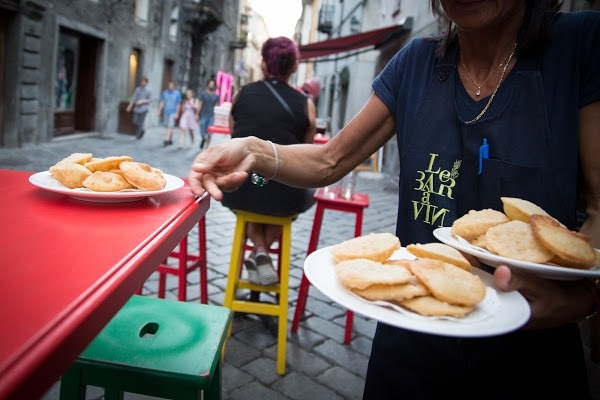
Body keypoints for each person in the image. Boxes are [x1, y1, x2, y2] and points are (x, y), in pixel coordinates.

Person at [189, 2, 600, 398]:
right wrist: (256, 151)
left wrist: (587, 295)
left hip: (531, 360)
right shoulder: (415, 64)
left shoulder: (579, 46)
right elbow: (330, 159)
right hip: (409, 342)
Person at [219, 36, 317, 285]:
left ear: (263, 63)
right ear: (294, 66)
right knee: (287, 197)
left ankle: (258, 249)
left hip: (243, 187)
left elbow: (234, 137)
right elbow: (306, 150)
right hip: (284, 194)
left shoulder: (242, 94)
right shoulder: (305, 104)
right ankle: (261, 252)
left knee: (252, 190)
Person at [157, 81, 182, 146]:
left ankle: (166, 139)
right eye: (169, 85)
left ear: (174, 86)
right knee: (170, 126)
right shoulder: (165, 93)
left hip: (173, 112)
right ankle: (170, 139)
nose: (170, 86)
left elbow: (178, 104)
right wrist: (159, 110)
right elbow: (162, 102)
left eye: (171, 85)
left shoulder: (177, 93)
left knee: (170, 126)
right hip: (166, 112)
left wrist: (177, 113)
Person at [198, 78, 221, 150]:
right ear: (207, 85)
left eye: (213, 84)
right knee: (202, 131)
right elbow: (200, 104)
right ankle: (203, 138)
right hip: (203, 115)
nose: (211, 85)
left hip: (212, 116)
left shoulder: (216, 96)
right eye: (210, 84)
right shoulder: (203, 94)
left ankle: (206, 147)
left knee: (210, 133)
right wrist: (197, 113)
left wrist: (217, 117)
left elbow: (217, 106)